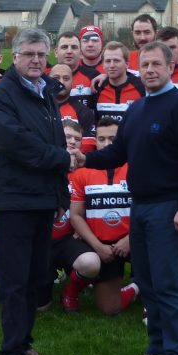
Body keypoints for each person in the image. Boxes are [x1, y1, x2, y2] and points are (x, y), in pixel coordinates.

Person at [83, 40, 178, 355]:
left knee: (168, 283)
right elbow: (117, 154)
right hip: (139, 207)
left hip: (169, 209)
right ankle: (156, 350)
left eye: (157, 64)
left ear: (171, 67)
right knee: (148, 282)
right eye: (146, 65)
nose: (151, 70)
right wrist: (83, 158)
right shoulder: (137, 109)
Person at [0, 28, 74, 355]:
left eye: (41, 55)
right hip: (16, 199)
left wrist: (60, 195)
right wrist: (61, 158)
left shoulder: (46, 91)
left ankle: (24, 340)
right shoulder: (1, 95)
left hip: (42, 197)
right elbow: (15, 142)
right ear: (14, 57)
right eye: (29, 54)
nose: (36, 60)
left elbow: (52, 140)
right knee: (15, 279)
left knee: (38, 276)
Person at [66, 117, 139, 315]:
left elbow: (149, 211)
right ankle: (136, 288)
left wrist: (130, 239)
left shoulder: (136, 168)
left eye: (113, 139)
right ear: (95, 140)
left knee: (161, 257)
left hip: (136, 239)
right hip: (103, 245)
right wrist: (98, 247)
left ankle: (147, 285)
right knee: (110, 309)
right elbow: (76, 216)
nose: (107, 144)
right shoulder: (83, 172)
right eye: (102, 139)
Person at [90, 41, 145, 127]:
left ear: (127, 64)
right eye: (108, 61)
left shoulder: (141, 87)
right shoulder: (98, 88)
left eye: (116, 61)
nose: (112, 65)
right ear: (103, 65)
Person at [51, 63, 96, 152]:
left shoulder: (84, 112)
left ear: (73, 82)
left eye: (66, 78)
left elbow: (88, 147)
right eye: (56, 78)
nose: (61, 82)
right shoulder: (38, 107)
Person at [69, 25, 105, 105]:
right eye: (85, 40)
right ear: (79, 44)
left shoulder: (111, 69)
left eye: (95, 40)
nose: (90, 44)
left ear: (102, 43)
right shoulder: (71, 69)